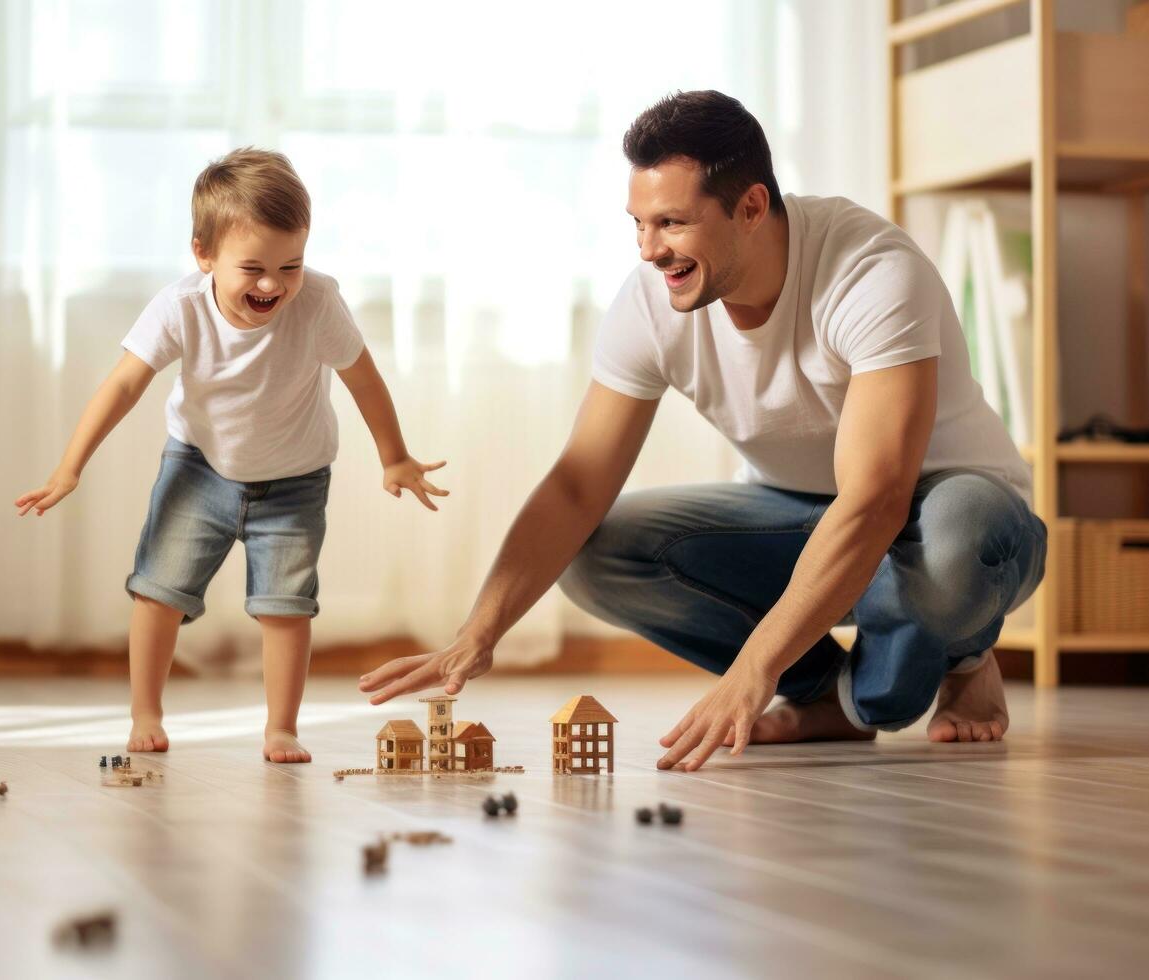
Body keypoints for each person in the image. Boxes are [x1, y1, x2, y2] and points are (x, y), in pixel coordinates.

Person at [358, 91, 1045, 771]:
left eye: (672, 223)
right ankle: (823, 697)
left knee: (961, 537)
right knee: (599, 552)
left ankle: (959, 657)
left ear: (749, 207)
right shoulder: (652, 303)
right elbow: (575, 487)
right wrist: (478, 634)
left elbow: (874, 500)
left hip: (940, 518)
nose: (649, 251)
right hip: (796, 515)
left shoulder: (869, 272)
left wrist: (751, 672)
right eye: (638, 224)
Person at [16, 148, 447, 763]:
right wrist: (69, 467)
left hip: (296, 480)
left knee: (286, 607)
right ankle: (146, 712)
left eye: (290, 265)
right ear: (204, 255)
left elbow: (363, 378)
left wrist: (395, 456)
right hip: (198, 469)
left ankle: (281, 727)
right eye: (254, 268)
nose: (274, 284)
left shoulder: (318, 303)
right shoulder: (181, 308)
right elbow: (123, 384)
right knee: (157, 591)